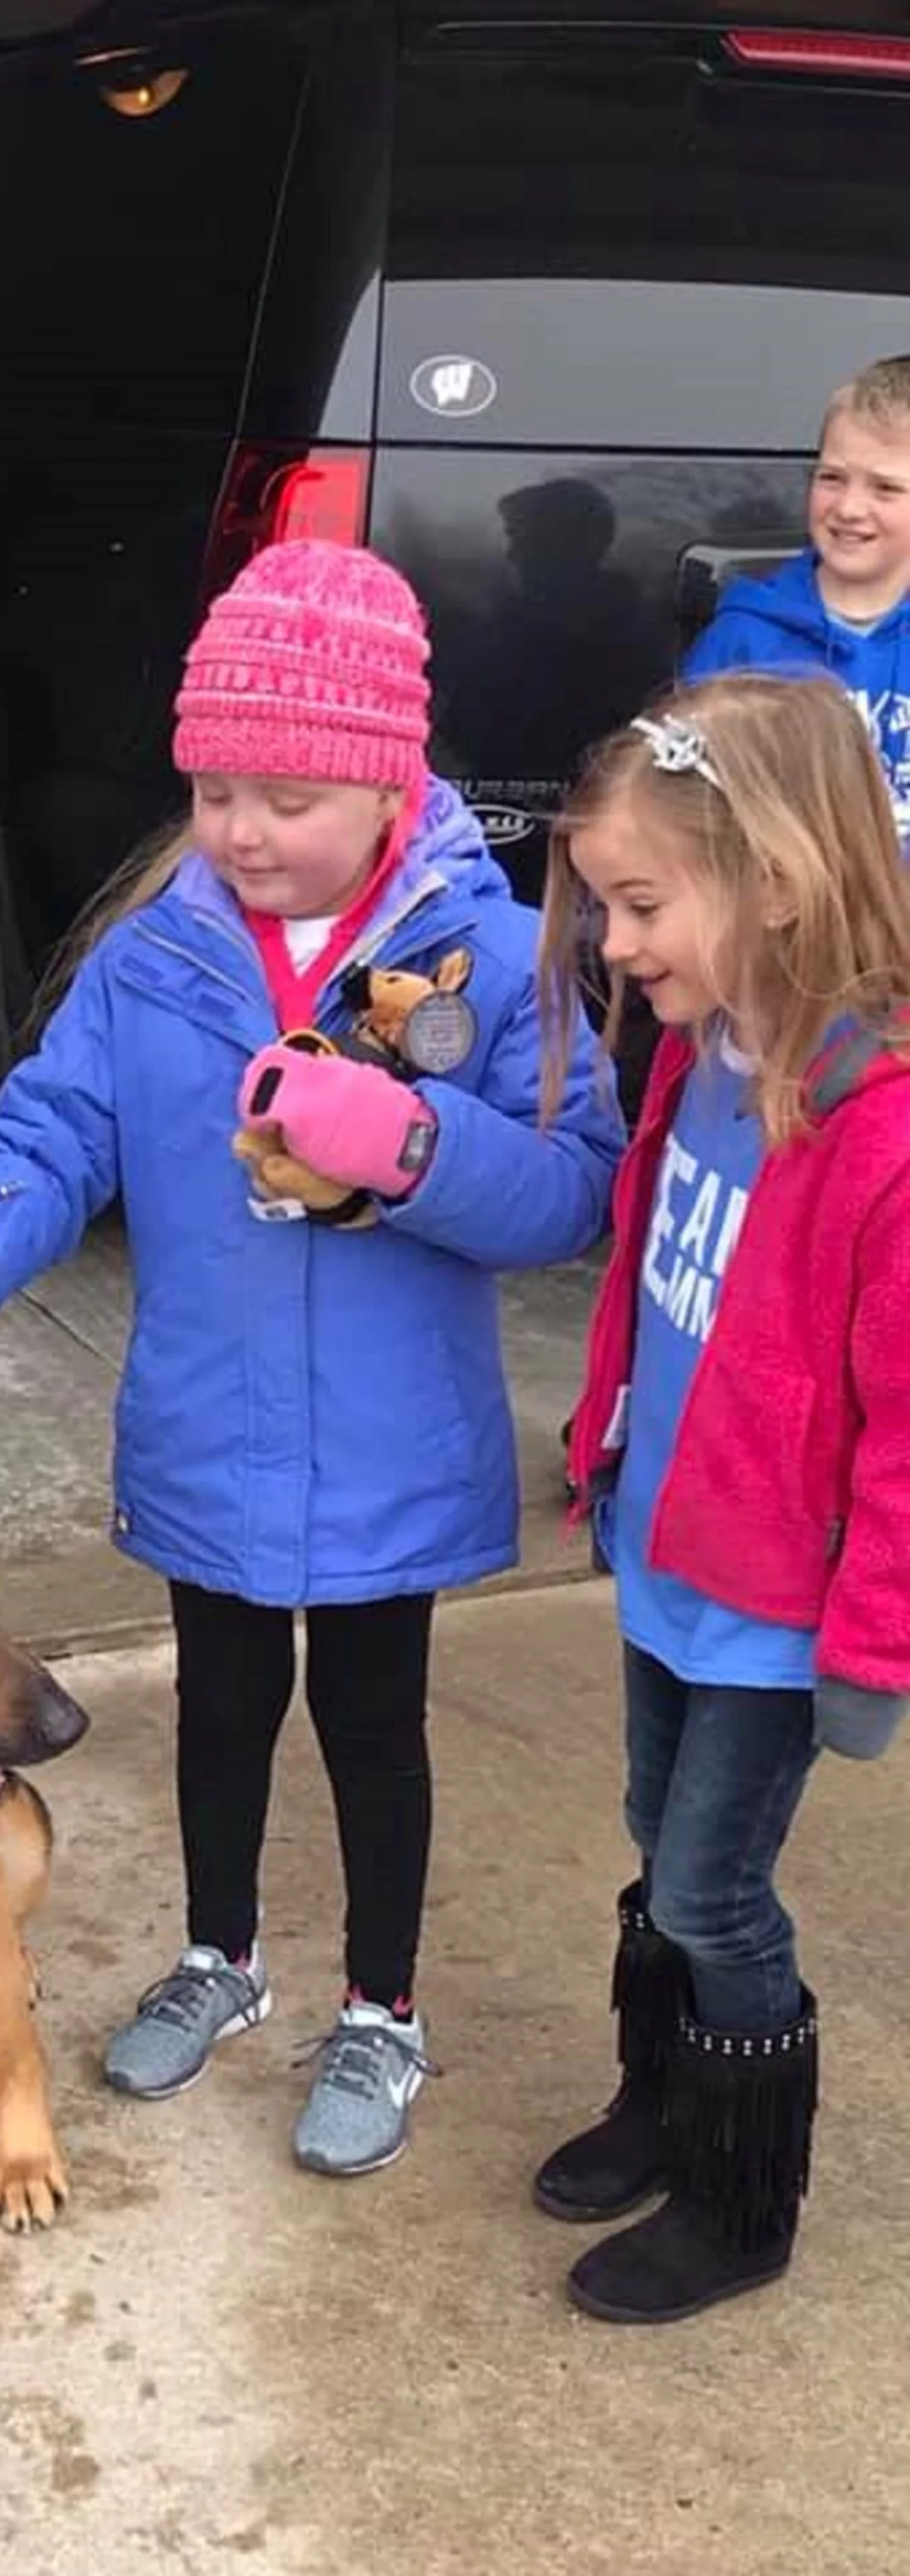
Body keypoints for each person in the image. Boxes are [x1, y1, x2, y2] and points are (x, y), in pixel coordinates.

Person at [0, 540, 623, 2177]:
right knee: (221, 1707)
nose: (243, 830)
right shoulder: (153, 955)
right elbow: (51, 1128)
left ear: (389, 783)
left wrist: (404, 1142)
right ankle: (221, 1955)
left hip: (393, 1442)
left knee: (375, 1726)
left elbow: (571, 1182)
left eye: (287, 796)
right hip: (203, 1425)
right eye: (215, 790)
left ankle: (381, 2004)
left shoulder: (488, 952)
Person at [534, 672, 910, 2324]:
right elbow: (649, 1278)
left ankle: (740, 2190)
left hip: (777, 1601)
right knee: (649, 1839)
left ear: (773, 878)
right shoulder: (705, 1055)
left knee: (709, 1886)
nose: (616, 944)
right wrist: (608, 1437)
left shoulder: (882, 1135)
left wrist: (873, 1641)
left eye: (639, 902)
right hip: (665, 1547)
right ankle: (664, 2093)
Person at [683, 353, 910, 840]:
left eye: (886, 488)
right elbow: (684, 809)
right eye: (832, 477)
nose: (849, 507)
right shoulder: (742, 640)